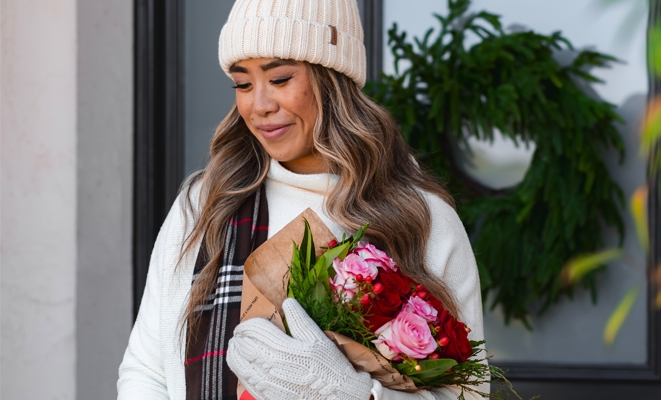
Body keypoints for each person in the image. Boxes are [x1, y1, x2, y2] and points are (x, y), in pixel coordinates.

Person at [117, 0, 486, 399]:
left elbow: (468, 394)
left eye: (279, 79)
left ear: (333, 79)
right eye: (242, 84)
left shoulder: (422, 219)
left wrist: (348, 394)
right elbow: (147, 372)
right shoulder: (204, 206)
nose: (259, 105)